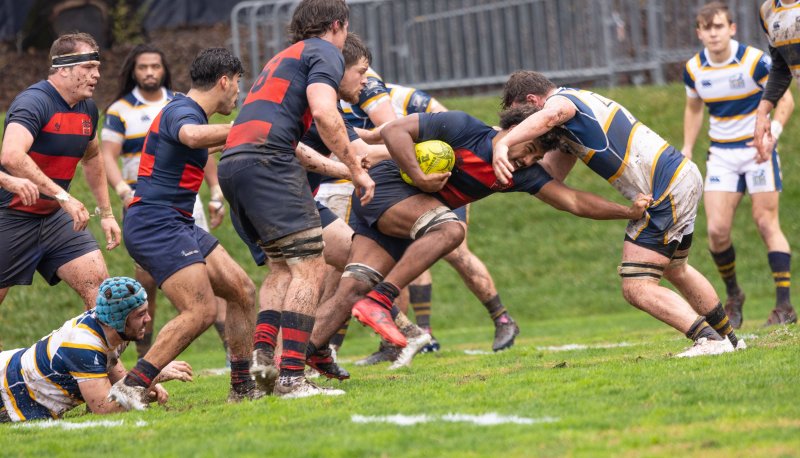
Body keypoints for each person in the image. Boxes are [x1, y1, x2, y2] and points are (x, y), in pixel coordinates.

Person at [306, 106, 652, 370]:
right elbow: (396, 130)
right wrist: (419, 176)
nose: (528, 160)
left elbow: (573, 200)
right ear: (514, 130)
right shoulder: (465, 128)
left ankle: (293, 365)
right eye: (528, 148)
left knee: (352, 287)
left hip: (403, 211)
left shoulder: (522, 174)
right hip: (385, 189)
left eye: (536, 156)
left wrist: (627, 211)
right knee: (451, 228)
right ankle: (381, 300)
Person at [496, 70, 742, 357]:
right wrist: (507, 165)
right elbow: (552, 175)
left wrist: (502, 144)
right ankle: (731, 340)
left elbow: (551, 115)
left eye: (520, 117)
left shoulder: (563, 101)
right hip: (678, 177)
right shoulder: (568, 126)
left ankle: (710, 341)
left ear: (532, 100)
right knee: (677, 269)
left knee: (636, 286)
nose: (518, 127)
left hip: (664, 185)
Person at [219, 0, 373, 398]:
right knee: (311, 268)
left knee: (281, 268)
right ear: (338, 25)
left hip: (235, 162)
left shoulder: (285, 56)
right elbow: (324, 113)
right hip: (269, 161)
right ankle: (292, 378)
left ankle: (264, 361)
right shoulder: (325, 51)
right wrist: (355, 170)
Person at [333, 68, 521, 362]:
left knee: (454, 249)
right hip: (408, 178)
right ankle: (415, 334)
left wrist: (376, 155)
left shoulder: (378, 94)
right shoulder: (337, 99)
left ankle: (502, 318)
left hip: (446, 174)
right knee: (407, 255)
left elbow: (446, 137)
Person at [108, 48, 258, 409]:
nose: (238, 92)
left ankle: (242, 387)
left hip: (176, 221)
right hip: (155, 223)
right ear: (224, 81)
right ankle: (131, 386)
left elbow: (210, 141)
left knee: (242, 290)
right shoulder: (182, 111)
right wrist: (250, 128)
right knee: (201, 311)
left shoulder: (187, 109)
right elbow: (192, 136)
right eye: (237, 83)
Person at [102, 44, 230, 359]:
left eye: (155, 66)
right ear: (133, 70)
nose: (149, 72)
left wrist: (215, 191)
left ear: (164, 70)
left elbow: (201, 147)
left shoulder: (180, 101)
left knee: (226, 283)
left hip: (185, 204)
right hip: (146, 205)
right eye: (143, 67)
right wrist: (121, 190)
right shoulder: (120, 110)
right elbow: (106, 156)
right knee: (149, 285)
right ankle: (143, 357)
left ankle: (232, 355)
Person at [683, 2, 795, 327]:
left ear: (731, 28)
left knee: (765, 222)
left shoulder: (754, 61)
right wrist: (688, 147)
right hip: (721, 154)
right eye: (707, 28)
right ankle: (734, 295)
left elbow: (785, 98)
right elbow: (693, 108)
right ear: (699, 33)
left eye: (719, 26)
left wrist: (772, 133)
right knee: (716, 231)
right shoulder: (693, 69)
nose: (714, 33)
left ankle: (784, 306)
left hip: (758, 150)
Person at [0, 32, 121, 310]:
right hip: (10, 215)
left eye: (98, 67)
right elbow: (11, 154)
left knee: (100, 288)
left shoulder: (87, 109)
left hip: (55, 219)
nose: (97, 75)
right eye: (88, 68)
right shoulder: (34, 102)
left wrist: (107, 213)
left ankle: (108, 356)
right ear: (63, 69)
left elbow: (92, 157)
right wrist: (62, 196)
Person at [0, 277, 192, 423]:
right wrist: (152, 375)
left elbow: (116, 384)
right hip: (7, 391)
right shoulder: (83, 345)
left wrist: (144, 386)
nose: (148, 320)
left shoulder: (116, 330)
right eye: (141, 314)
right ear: (120, 318)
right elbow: (104, 408)